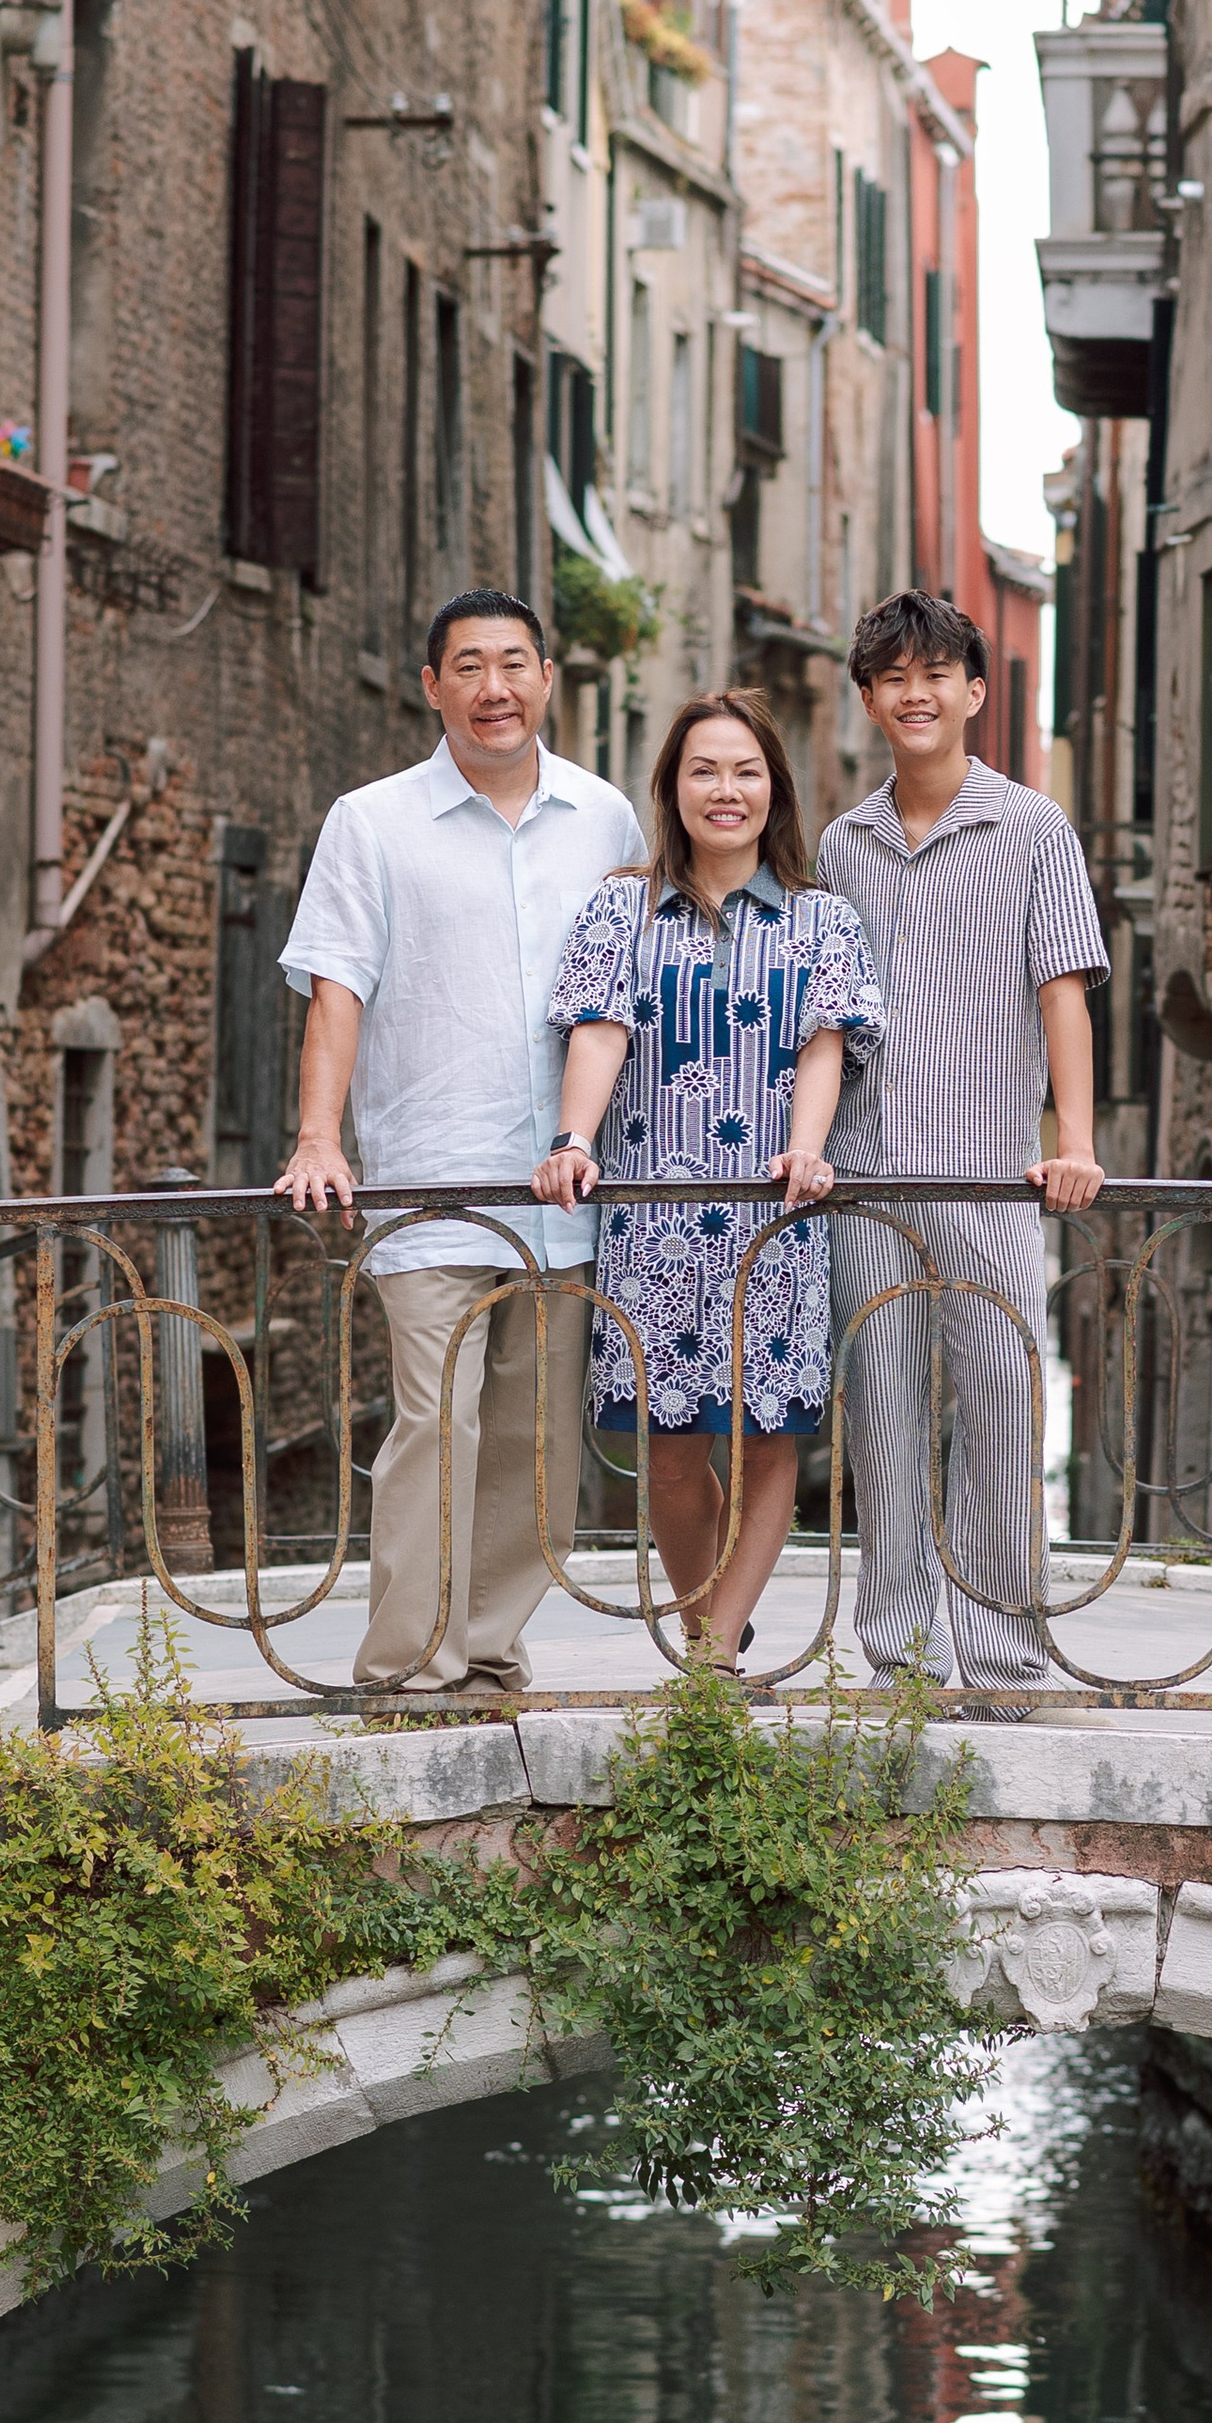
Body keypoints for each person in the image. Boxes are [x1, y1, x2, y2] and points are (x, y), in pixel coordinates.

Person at [274, 592, 643, 1696]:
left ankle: (487, 1646)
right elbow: (337, 984)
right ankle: (405, 1666)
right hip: (429, 1171)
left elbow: (625, 993)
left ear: (546, 679)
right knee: (436, 1421)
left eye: (515, 663)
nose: (496, 686)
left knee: (537, 1438)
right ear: (431, 685)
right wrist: (317, 1135)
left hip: (566, 1185)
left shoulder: (607, 819)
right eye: (470, 665)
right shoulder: (371, 820)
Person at [533, 690, 883, 1664]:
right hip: (652, 1225)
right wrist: (572, 1137)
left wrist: (808, 1146)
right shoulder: (620, 905)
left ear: (773, 788)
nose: (724, 789)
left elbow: (826, 1042)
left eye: (744, 770)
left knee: (773, 1442)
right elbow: (600, 1028)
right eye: (703, 770)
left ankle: (713, 1655)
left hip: (777, 1215)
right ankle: (710, 1630)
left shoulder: (821, 917)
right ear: (672, 787)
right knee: (670, 1452)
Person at [818, 591, 1110, 1717]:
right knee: (883, 1416)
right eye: (892, 676)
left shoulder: (1034, 829)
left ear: (975, 692)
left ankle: (1000, 1662)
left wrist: (1071, 1141)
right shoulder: (841, 846)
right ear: (869, 700)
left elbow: (1063, 993)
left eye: (935, 672)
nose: (915, 692)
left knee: (997, 1410)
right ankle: (896, 1657)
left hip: (991, 1171)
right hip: (868, 1175)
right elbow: (826, 1025)